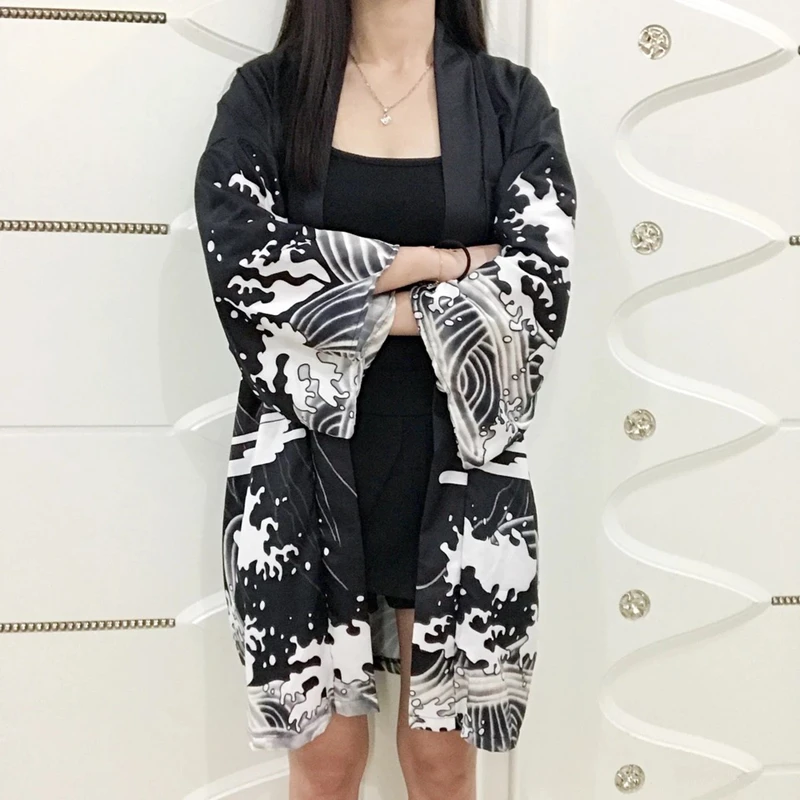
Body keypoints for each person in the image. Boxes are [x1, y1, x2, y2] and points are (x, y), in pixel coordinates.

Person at [194, 1, 576, 798]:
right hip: (299, 471)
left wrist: (342, 283)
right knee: (326, 760)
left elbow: (535, 289)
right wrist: (448, 262)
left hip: (459, 465)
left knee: (443, 761)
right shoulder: (268, 96)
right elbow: (248, 270)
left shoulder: (508, 101)